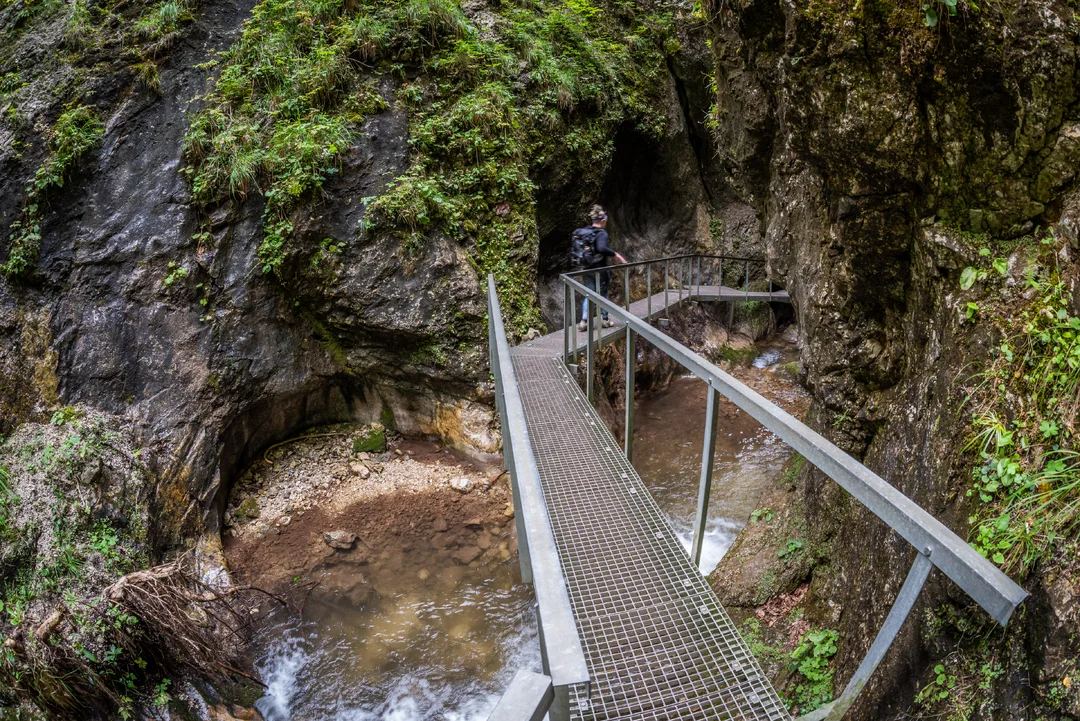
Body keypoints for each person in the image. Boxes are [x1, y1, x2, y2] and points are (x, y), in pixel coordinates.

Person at [572, 204, 626, 331]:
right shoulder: (601, 233)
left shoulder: (585, 231)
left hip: (586, 268)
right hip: (599, 269)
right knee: (603, 293)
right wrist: (615, 254)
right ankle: (605, 320)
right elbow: (601, 248)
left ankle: (584, 321)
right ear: (602, 221)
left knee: (589, 294)